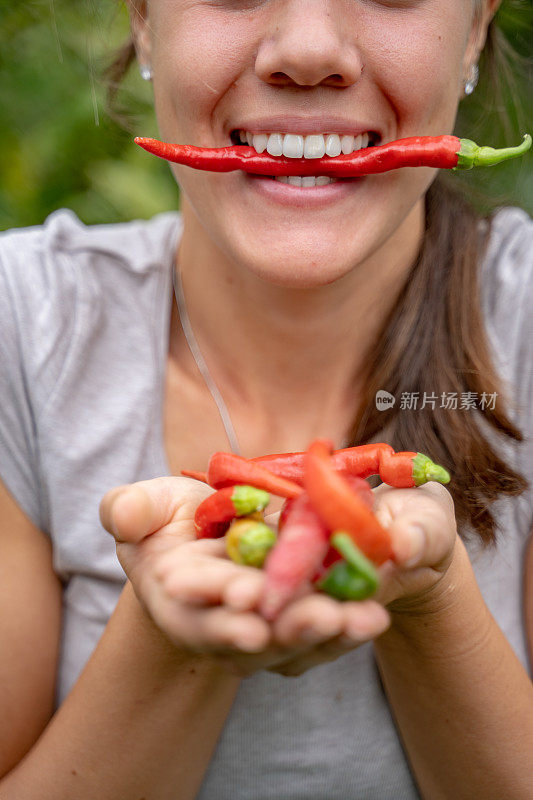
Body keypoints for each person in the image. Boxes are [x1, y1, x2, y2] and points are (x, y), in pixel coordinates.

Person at [0, 0, 532, 797]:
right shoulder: (20, 323)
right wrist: (166, 640)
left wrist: (433, 599)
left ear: (477, 27)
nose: (310, 50)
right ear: (145, 20)